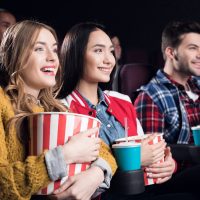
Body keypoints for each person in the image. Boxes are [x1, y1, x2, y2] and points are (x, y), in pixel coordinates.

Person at [57, 22, 199, 200]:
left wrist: (168, 164)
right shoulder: (62, 109)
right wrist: (136, 158)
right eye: (98, 50)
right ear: (75, 54)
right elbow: (77, 183)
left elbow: (146, 156)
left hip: (141, 190)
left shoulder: (121, 101)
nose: (109, 59)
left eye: (111, 51)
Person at [0, 20, 117, 200]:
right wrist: (63, 156)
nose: (53, 58)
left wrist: (96, 174)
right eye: (39, 49)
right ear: (15, 55)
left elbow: (104, 151)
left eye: (54, 49)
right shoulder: (2, 103)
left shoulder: (56, 108)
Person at [134, 21, 200, 197]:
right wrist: (176, 163)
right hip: (174, 179)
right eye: (193, 48)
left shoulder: (197, 86)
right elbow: (153, 160)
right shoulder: (150, 96)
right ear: (171, 52)